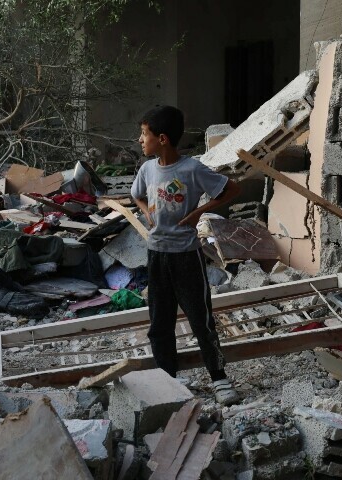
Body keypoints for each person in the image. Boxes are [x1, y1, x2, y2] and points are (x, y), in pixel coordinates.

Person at [131, 105, 241, 405]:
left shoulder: (192, 169)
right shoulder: (147, 169)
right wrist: (147, 213)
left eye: (144, 134)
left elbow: (231, 189)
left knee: (200, 320)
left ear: (162, 139)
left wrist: (198, 212)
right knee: (160, 323)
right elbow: (137, 195)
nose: (140, 140)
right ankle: (167, 379)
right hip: (157, 255)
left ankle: (218, 378)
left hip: (186, 256)